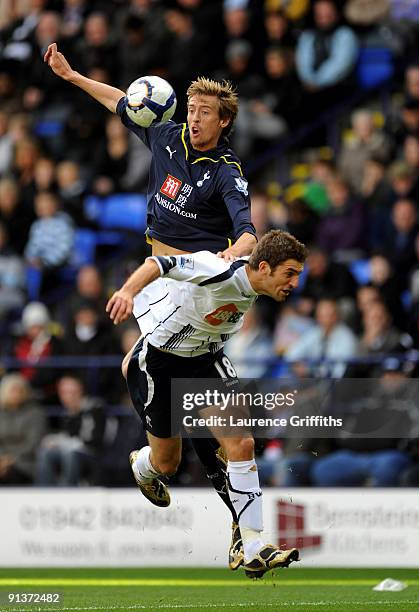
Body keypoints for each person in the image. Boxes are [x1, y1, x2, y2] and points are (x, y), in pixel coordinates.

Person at [44, 41, 258, 570]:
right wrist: (72, 77)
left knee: (187, 437)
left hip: (194, 284)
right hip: (159, 286)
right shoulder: (165, 136)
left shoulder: (226, 172)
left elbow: (249, 233)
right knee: (204, 402)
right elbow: (119, 100)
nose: (195, 117)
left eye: (206, 112)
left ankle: (166, 470)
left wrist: (231, 256)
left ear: (224, 121)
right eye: (192, 109)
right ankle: (138, 362)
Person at [106, 229, 307, 578]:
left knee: (241, 443)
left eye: (298, 275)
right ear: (263, 267)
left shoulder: (252, 275)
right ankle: (144, 467)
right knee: (168, 463)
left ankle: (252, 543)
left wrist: (244, 240)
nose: (294, 283)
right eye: (289, 273)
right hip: (160, 365)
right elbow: (157, 263)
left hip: (205, 362)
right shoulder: (215, 270)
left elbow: (247, 240)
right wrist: (126, 292)